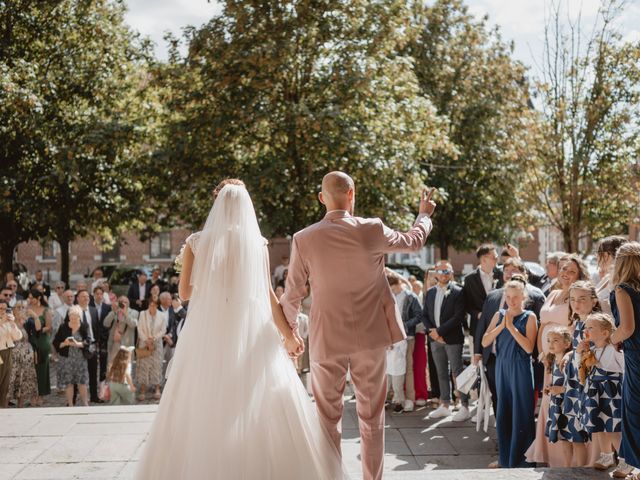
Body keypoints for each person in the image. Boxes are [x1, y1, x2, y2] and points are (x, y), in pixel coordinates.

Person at [135, 179, 345, 479]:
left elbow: (185, 294)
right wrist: (288, 334)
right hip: (249, 330)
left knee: (203, 398)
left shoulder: (197, 242)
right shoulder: (256, 244)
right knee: (260, 396)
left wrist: (206, 277)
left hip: (208, 334)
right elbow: (269, 295)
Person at [281, 171, 436, 480]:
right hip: (371, 336)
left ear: (322, 198)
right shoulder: (372, 229)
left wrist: (291, 335)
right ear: (352, 194)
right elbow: (414, 240)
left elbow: (293, 292)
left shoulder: (304, 238)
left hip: (326, 339)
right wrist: (424, 215)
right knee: (372, 418)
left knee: (327, 421)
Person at [526, 254, 589, 466]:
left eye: (571, 270)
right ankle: (549, 455)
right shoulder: (552, 294)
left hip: (565, 358)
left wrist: (562, 354)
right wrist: (542, 353)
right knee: (548, 403)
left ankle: (567, 461)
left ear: (579, 273)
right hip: (548, 357)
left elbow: (578, 327)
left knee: (563, 403)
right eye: (563, 269)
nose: (566, 273)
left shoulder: (577, 296)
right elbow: (543, 325)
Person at [482, 277, 537, 467]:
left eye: (516, 297)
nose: (512, 301)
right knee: (504, 411)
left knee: (522, 412)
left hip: (521, 368)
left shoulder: (530, 316)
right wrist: (501, 326)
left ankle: (523, 460)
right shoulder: (499, 315)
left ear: (523, 297)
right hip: (502, 367)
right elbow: (485, 341)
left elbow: (529, 348)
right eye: (509, 296)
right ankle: (505, 459)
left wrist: (511, 328)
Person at [558, 281, 600, 467]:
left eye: (582, 299)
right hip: (574, 382)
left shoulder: (593, 324)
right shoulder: (578, 322)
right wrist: (569, 353)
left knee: (585, 431)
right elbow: (577, 349)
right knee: (573, 432)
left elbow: (590, 354)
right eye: (573, 299)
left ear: (594, 301)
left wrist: (574, 355)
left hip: (586, 382)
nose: (576, 303)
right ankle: (573, 470)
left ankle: (586, 469)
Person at [576, 313, 624, 471]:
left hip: (611, 393)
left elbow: (625, 367)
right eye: (585, 327)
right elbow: (581, 369)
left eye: (590, 328)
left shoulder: (615, 349)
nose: (586, 330)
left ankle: (626, 461)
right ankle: (606, 456)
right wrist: (579, 353)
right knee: (600, 427)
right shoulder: (592, 350)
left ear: (605, 333)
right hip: (595, 393)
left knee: (613, 429)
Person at [423, 260, 468, 421]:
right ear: (435, 273)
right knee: (441, 372)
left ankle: (464, 405)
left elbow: (458, 317)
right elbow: (425, 315)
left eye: (447, 271)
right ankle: (445, 405)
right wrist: (432, 332)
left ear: (451, 273)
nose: (443, 274)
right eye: (440, 271)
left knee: (457, 372)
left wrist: (440, 332)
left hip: (452, 338)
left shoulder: (458, 291)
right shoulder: (430, 292)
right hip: (435, 339)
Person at [610, 242, 640, 479]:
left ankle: (634, 464)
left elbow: (627, 328)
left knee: (633, 409)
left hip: (636, 356)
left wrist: (612, 337)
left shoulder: (623, 289)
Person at [387, 272, 422, 412]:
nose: (392, 291)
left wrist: (404, 325)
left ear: (399, 284)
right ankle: (395, 397)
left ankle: (409, 398)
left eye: (394, 288)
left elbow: (420, 315)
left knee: (407, 367)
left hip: (407, 336)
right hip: (391, 338)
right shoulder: (389, 297)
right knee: (391, 368)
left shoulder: (410, 297)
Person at [543, 327, 573, 466]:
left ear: (567, 344)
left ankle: (576, 471)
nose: (551, 344)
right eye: (549, 340)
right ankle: (567, 468)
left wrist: (559, 389)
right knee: (564, 439)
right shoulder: (553, 360)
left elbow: (576, 385)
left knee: (574, 439)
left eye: (556, 340)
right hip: (557, 405)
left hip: (569, 405)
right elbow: (554, 381)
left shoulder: (569, 362)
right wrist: (549, 388)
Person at [52, 305, 92, 406]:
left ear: (79, 317)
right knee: (69, 382)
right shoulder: (63, 327)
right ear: (68, 316)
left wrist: (78, 344)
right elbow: (56, 342)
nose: (73, 319)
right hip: (66, 359)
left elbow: (88, 341)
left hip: (80, 359)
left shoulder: (84, 326)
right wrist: (65, 343)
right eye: (71, 317)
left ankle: (85, 403)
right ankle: (70, 404)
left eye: (76, 317)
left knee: (82, 382)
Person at [463, 244, 501, 343]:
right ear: (484, 260)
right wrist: (478, 314)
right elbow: (466, 304)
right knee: (478, 358)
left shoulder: (502, 274)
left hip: (500, 326)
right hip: (478, 327)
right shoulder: (469, 279)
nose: (497, 259)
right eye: (494, 257)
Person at [7, 301, 38, 407]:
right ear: (13, 308)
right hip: (13, 354)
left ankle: (21, 405)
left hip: (27, 355)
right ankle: (4, 405)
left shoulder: (28, 322)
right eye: (18, 307)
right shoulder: (9, 320)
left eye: (23, 307)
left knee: (24, 379)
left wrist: (35, 316)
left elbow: (38, 329)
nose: (20, 309)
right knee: (11, 379)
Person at [135, 297, 167, 401]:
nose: (151, 307)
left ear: (157, 305)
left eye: (153, 305)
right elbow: (139, 328)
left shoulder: (162, 315)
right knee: (144, 366)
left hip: (156, 345)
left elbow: (163, 330)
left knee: (157, 366)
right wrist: (146, 340)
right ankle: (143, 389)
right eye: (150, 305)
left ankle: (157, 388)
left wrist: (153, 339)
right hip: (144, 344)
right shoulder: (143, 314)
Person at [76, 289, 103, 403]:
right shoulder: (74, 311)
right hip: (79, 345)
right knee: (78, 372)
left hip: (92, 345)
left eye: (87, 296)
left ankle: (94, 396)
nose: (86, 298)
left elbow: (96, 327)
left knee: (93, 372)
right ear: (78, 298)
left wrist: (96, 342)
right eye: (83, 296)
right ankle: (73, 398)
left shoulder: (93, 310)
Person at [25, 289, 52, 405]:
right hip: (30, 341)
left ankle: (41, 394)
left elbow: (49, 327)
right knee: (31, 369)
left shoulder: (46, 310)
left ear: (39, 298)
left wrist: (39, 329)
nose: (30, 300)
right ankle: (32, 394)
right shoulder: (27, 310)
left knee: (42, 368)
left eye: (32, 298)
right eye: (29, 298)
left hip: (41, 341)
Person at [595, 236, 628, 315]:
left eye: (597, 253)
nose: (596, 256)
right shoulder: (607, 278)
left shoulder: (622, 282)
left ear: (606, 255)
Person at [0, 299, 23, 407]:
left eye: (5, 309)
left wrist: (13, 323)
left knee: (6, 384)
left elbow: (18, 336)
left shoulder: (8, 321)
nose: (3, 311)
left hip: (8, 352)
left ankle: (2, 409)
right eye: (0, 308)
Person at [104, 297, 138, 366]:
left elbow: (133, 324)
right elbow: (106, 323)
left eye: (125, 302)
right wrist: (113, 312)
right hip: (114, 343)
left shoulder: (134, 312)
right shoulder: (114, 311)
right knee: (112, 367)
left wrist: (125, 313)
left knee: (126, 369)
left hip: (126, 344)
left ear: (128, 304)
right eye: (121, 302)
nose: (123, 303)